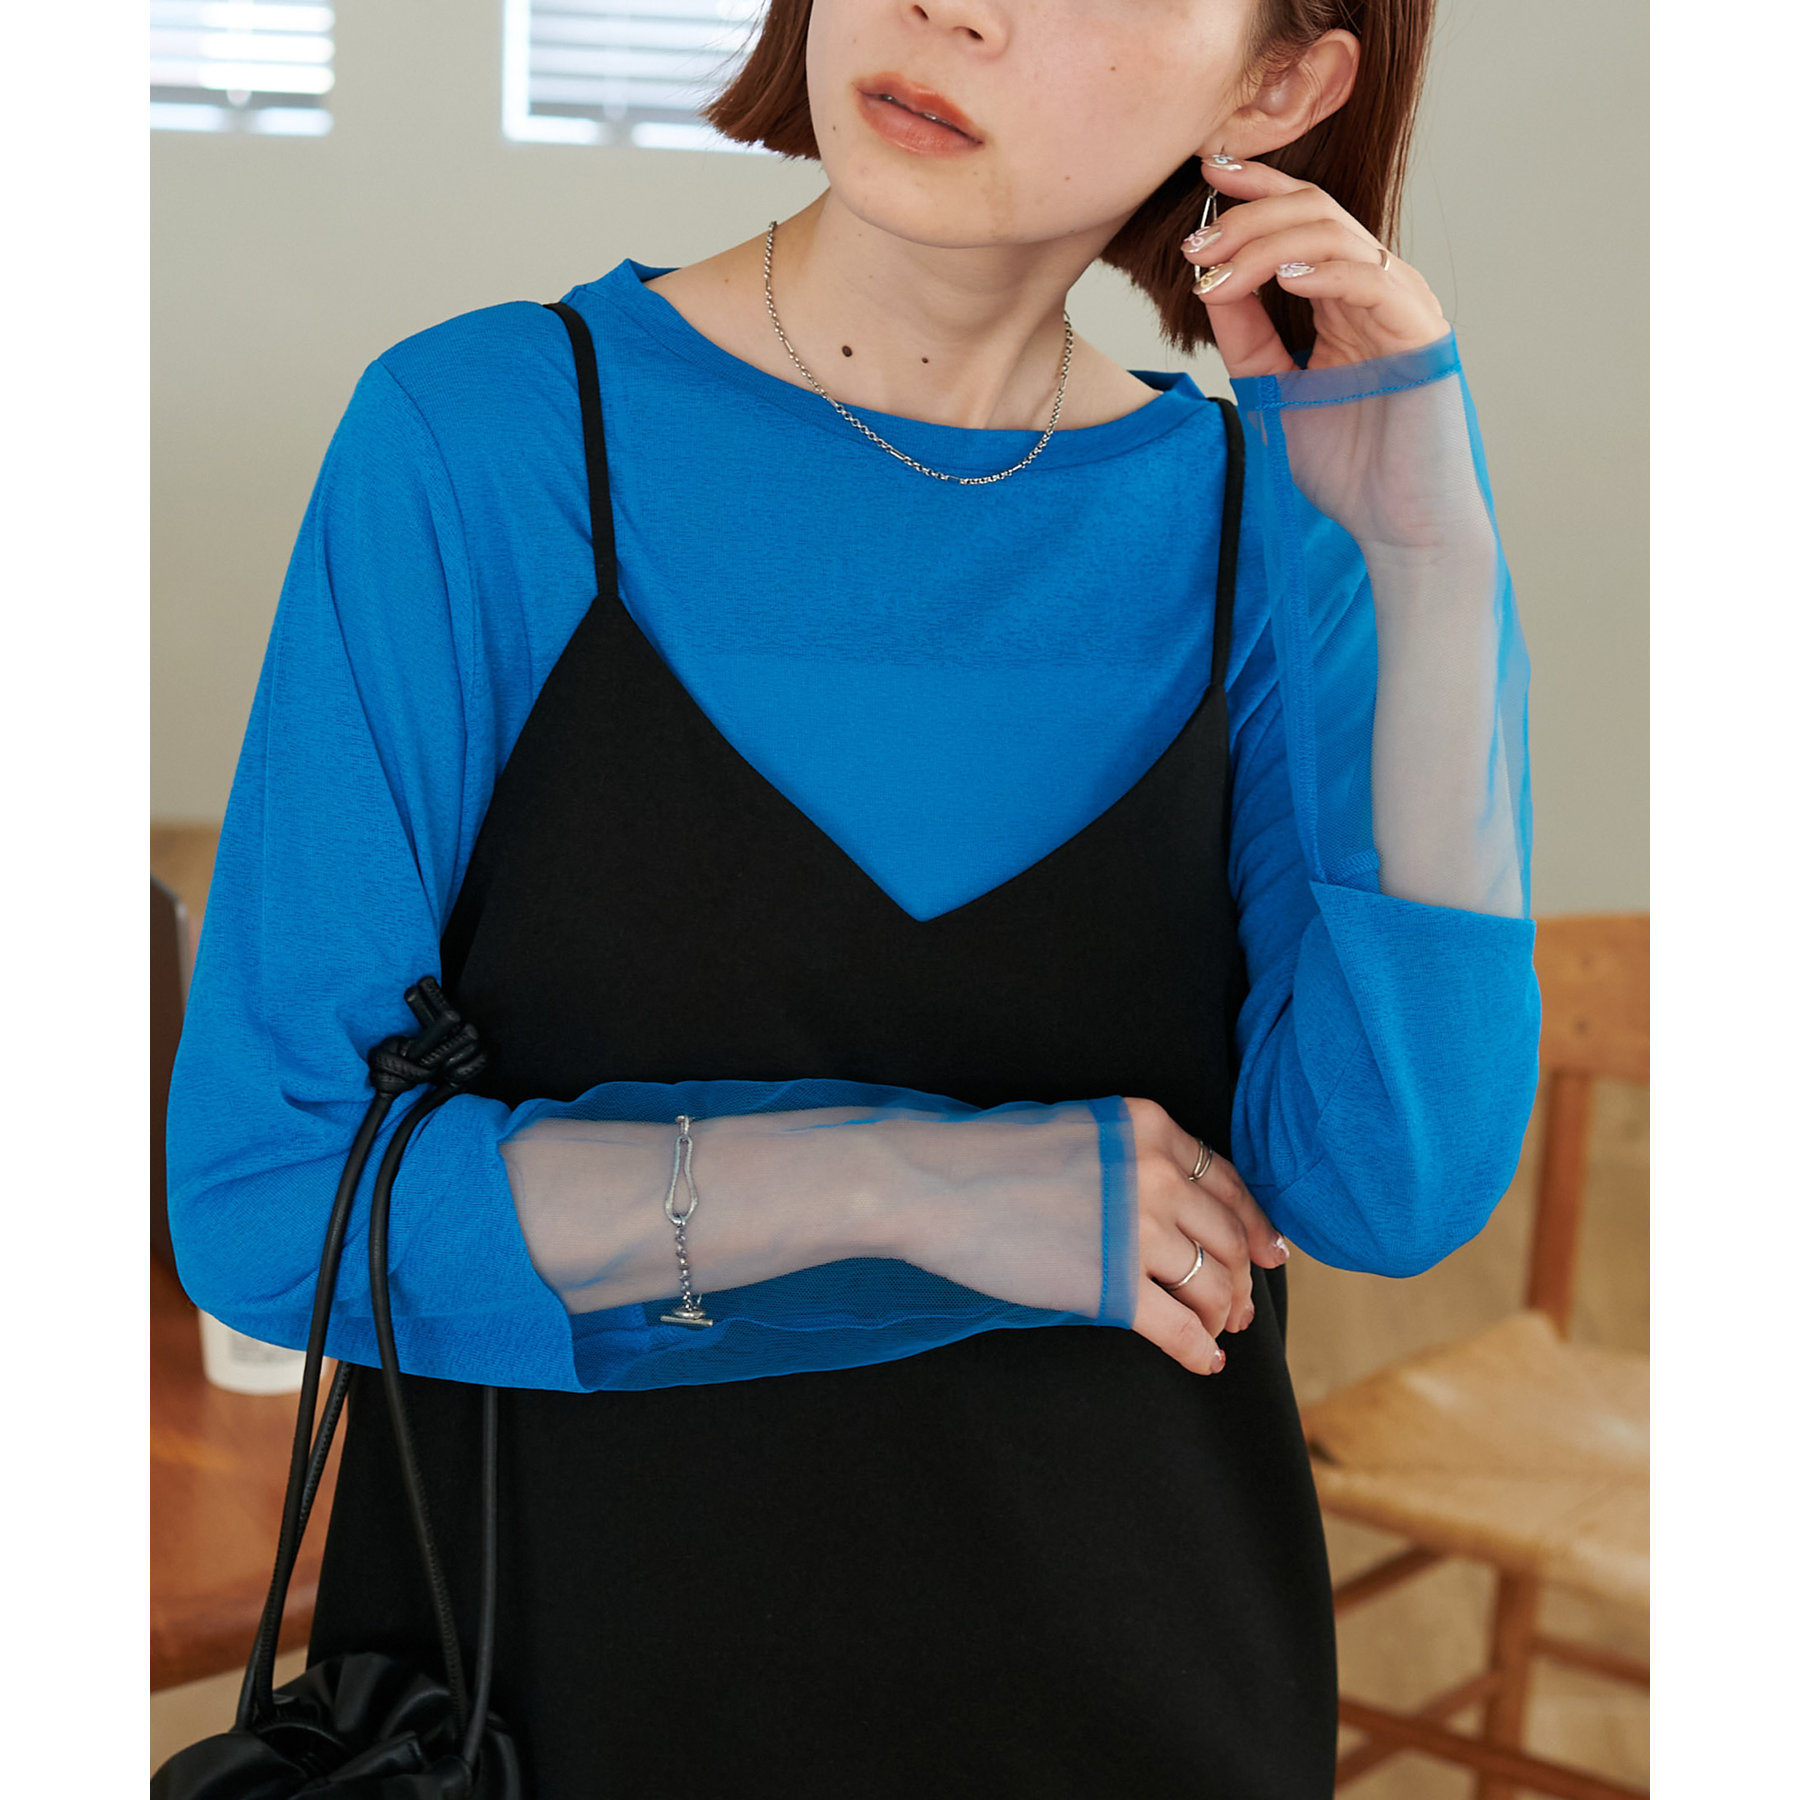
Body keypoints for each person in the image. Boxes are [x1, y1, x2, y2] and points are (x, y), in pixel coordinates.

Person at [164, 0, 1540, 1788]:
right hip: (556, 1699)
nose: (958, 6)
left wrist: (1425, 559)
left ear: (1278, 82)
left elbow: (1388, 1182)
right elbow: (275, 1205)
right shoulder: (482, 442)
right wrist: (910, 1184)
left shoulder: (1267, 529)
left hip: (1129, 1696)